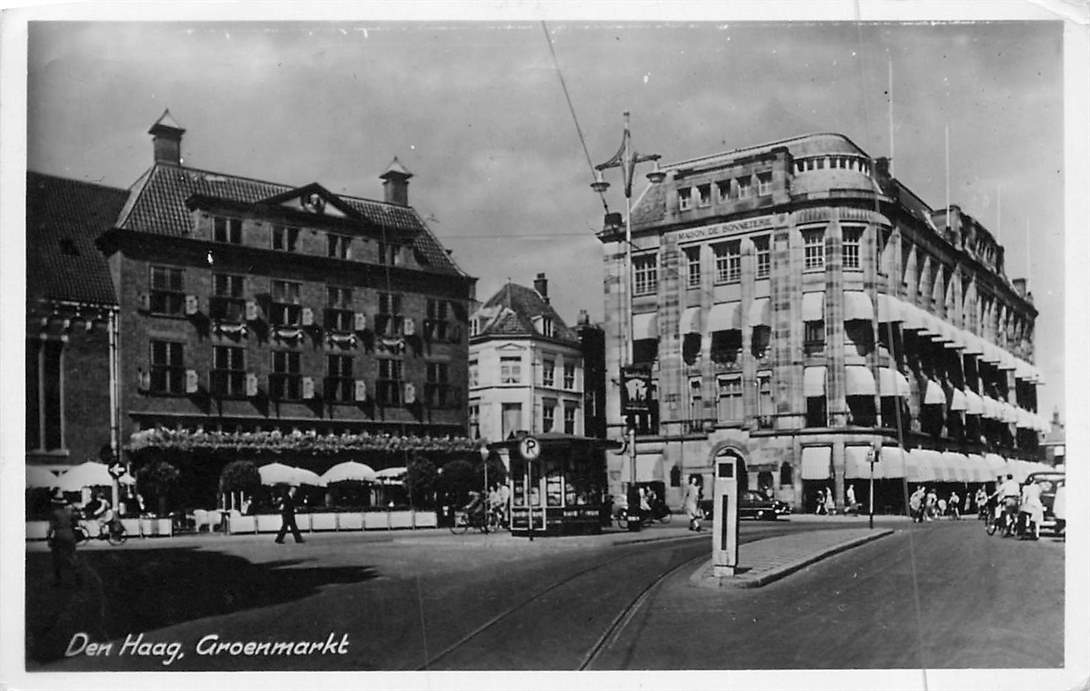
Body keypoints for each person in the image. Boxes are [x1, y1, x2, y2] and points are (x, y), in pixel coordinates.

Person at [47, 489, 81, 587]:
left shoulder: (54, 513)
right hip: (70, 534)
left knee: (56, 558)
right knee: (72, 556)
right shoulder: (69, 512)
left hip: (59, 535)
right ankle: (77, 576)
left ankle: (58, 580)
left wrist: (49, 538)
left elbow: (51, 527)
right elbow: (75, 522)